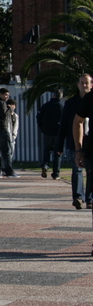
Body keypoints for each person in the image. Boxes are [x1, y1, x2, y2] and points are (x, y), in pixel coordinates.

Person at [62, 73, 93, 209]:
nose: (84, 85)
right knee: (78, 170)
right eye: (82, 82)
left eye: (86, 83)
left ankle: (89, 199)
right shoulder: (73, 103)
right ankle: (78, 197)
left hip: (87, 139)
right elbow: (69, 124)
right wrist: (77, 149)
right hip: (80, 142)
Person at [36, 90, 63, 179]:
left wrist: (42, 127)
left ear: (53, 95)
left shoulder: (46, 105)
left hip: (47, 132)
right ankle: (56, 173)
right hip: (58, 132)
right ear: (61, 96)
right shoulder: (61, 106)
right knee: (57, 153)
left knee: (47, 150)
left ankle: (45, 165)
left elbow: (39, 116)